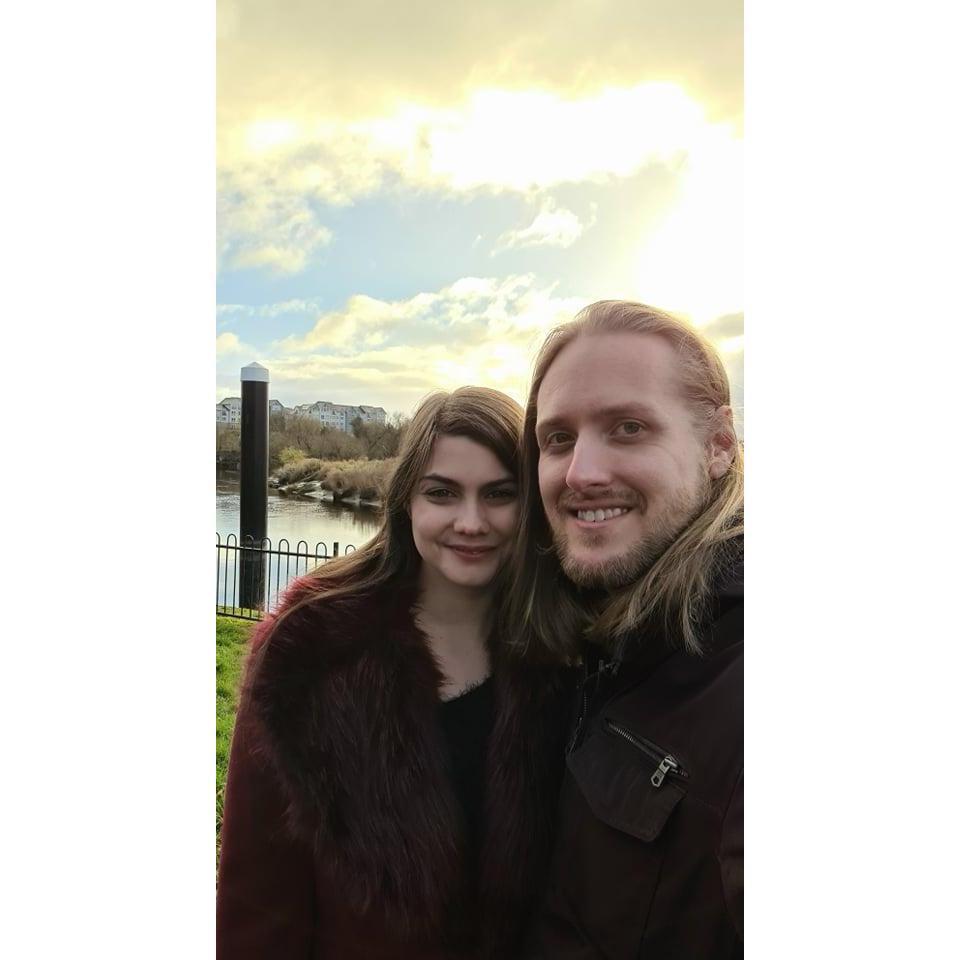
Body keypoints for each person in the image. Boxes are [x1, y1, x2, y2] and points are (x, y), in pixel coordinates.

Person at [217, 386, 571, 960]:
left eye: (501, 494)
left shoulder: (564, 648)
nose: (471, 521)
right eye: (443, 493)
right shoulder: (311, 648)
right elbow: (257, 898)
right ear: (406, 500)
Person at [506, 301, 744, 958]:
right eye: (558, 439)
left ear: (719, 445)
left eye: (629, 427)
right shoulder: (592, 638)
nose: (580, 472)